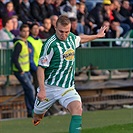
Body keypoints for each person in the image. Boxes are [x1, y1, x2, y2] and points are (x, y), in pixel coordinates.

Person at [32, 15, 106, 132]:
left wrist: (97, 36)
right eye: (61, 31)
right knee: (37, 116)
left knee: (77, 109)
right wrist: (42, 90)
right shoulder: (50, 44)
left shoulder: (71, 38)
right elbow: (41, 68)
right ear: (55, 28)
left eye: (67, 31)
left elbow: (81, 39)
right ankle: (38, 113)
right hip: (49, 87)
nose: (64, 34)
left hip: (67, 87)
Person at [12, 24, 35, 118]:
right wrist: (20, 70)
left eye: (27, 31)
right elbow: (14, 58)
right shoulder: (19, 43)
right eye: (24, 31)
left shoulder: (25, 42)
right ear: (20, 32)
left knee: (27, 91)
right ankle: (36, 110)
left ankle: (30, 111)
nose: (26, 33)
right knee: (30, 89)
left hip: (26, 70)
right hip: (21, 71)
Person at [27, 23, 43, 96]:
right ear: (30, 30)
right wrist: (36, 69)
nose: (36, 30)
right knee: (38, 88)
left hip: (41, 67)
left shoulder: (39, 40)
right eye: (34, 29)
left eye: (37, 28)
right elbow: (30, 57)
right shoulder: (29, 40)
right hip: (35, 68)